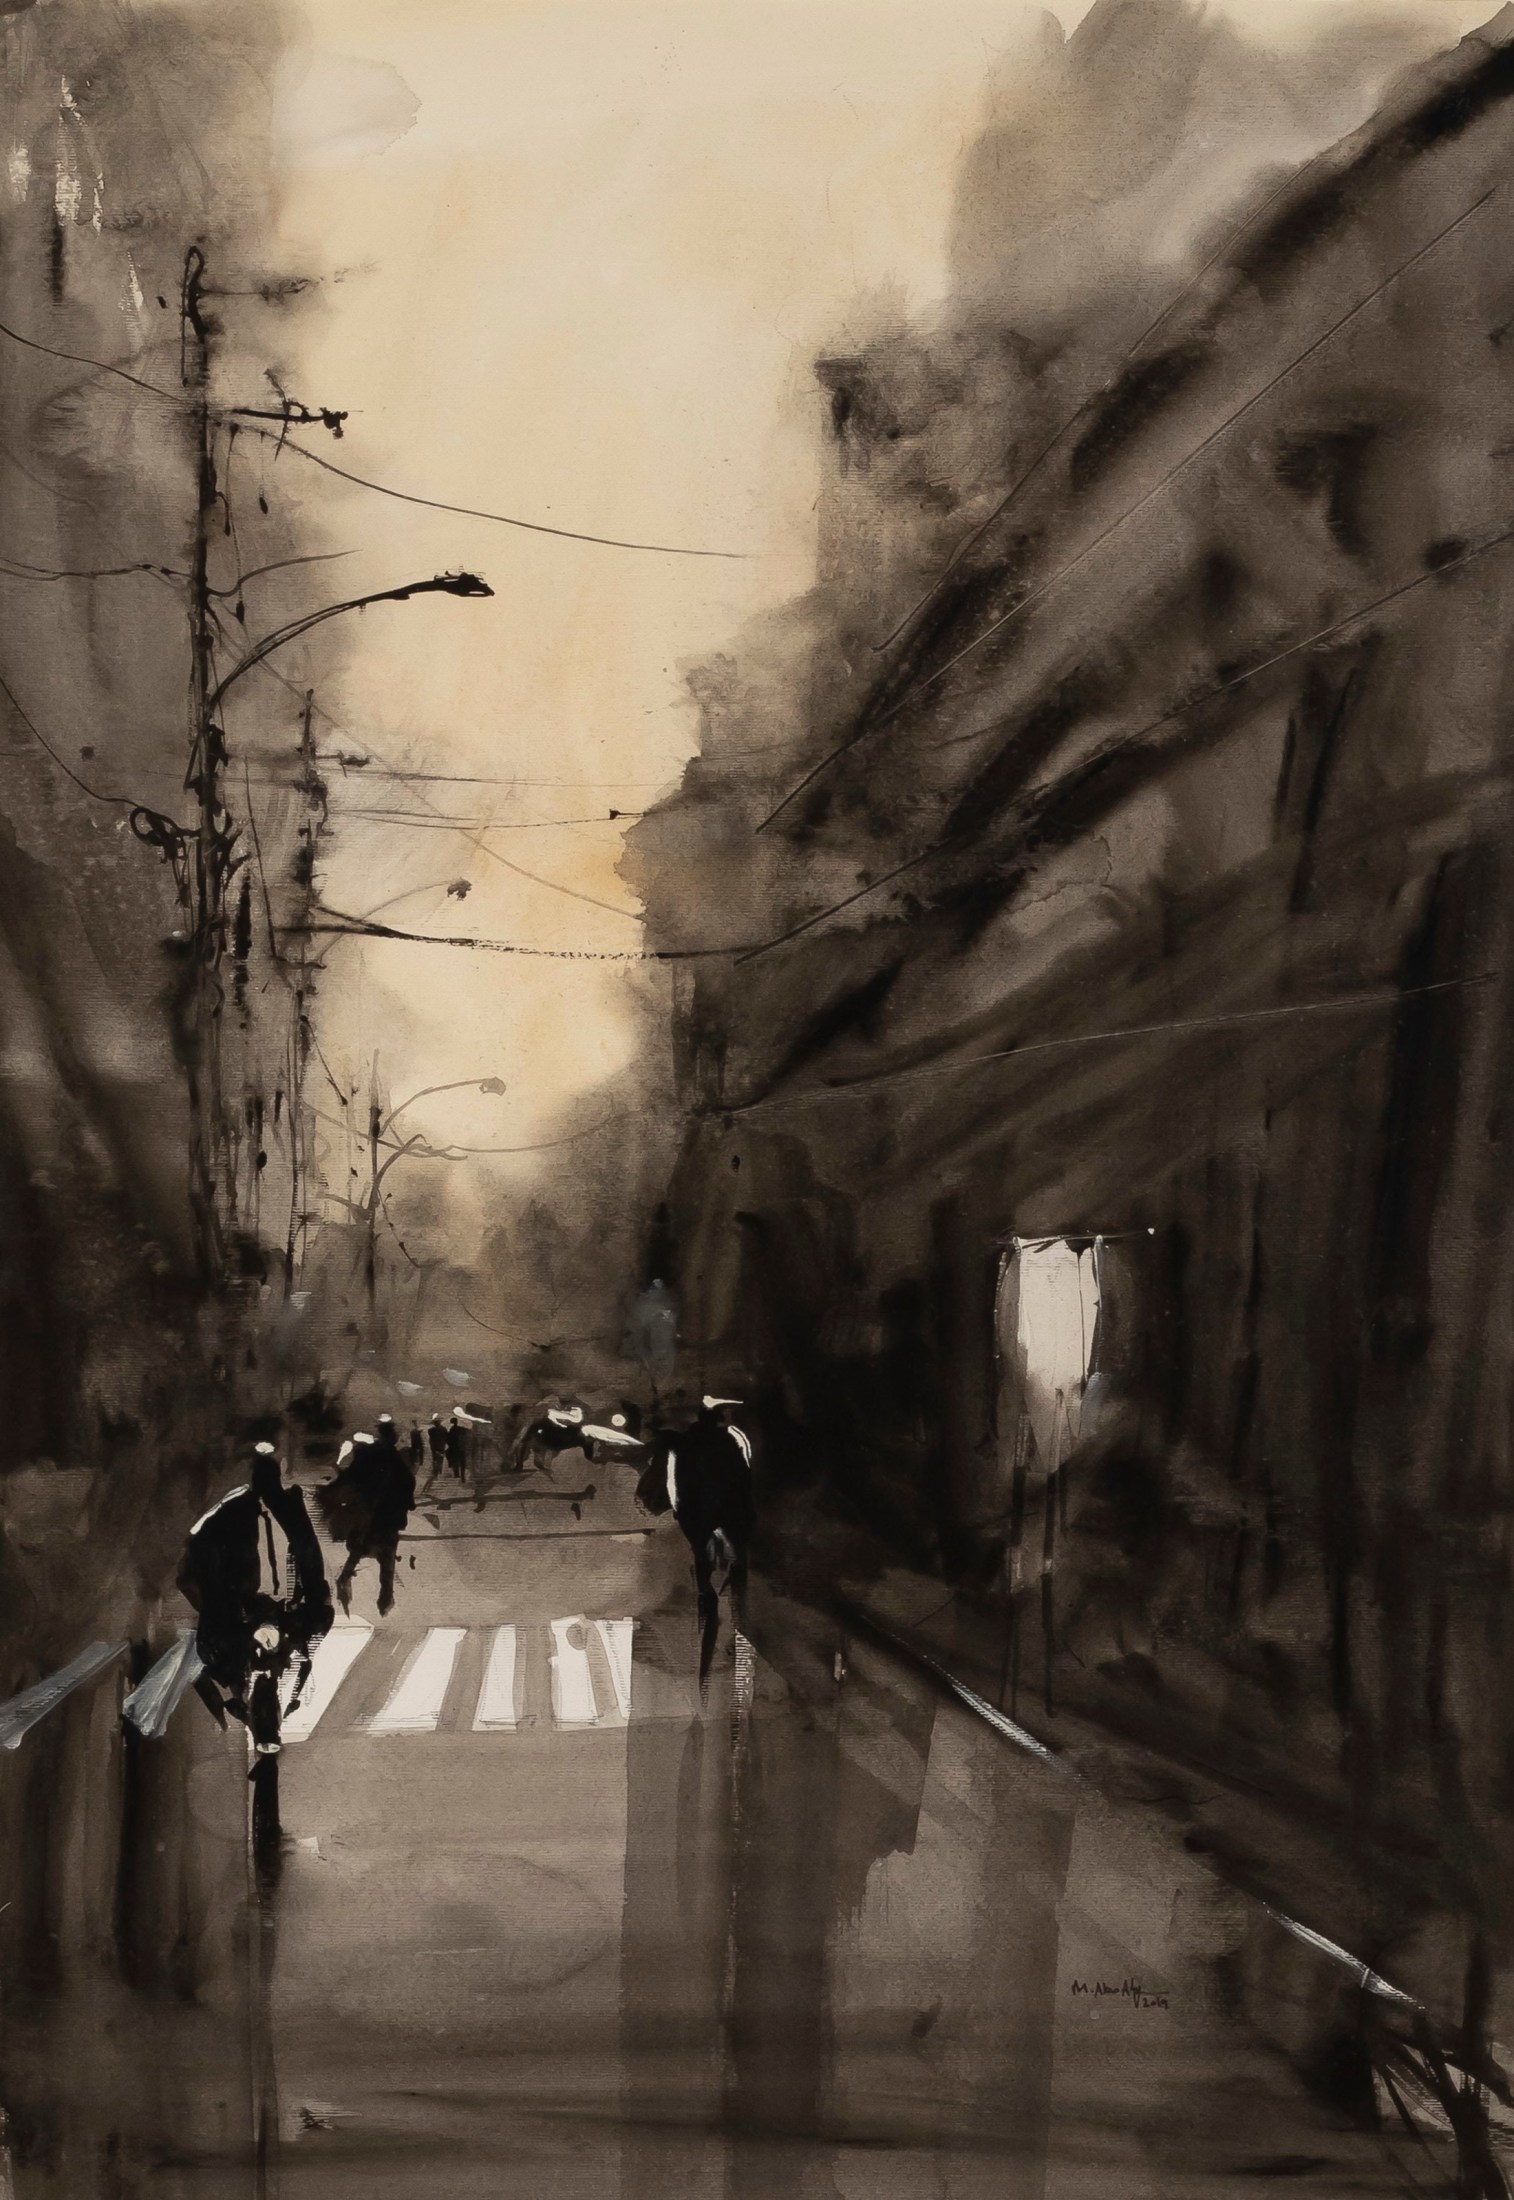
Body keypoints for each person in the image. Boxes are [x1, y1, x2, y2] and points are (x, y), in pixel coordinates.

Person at [177, 1442, 333, 1757]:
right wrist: (298, 1625)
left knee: (212, 1576)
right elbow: (306, 1642)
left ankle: (208, 1526)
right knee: (306, 1558)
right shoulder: (289, 1678)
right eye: (271, 1709)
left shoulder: (227, 1669)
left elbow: (211, 1640)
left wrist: (245, 1630)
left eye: (260, 1710)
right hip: (268, 1606)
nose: (267, 1701)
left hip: (239, 1603)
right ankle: (276, 1493)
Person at [314, 1426, 417, 1616]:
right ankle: (384, 1599)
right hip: (388, 1517)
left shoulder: (368, 1456)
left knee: (359, 1547)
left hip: (367, 1514)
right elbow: (408, 1484)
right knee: (386, 1556)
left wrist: (332, 1490)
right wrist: (407, 1503)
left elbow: (350, 1478)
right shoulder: (396, 1461)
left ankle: (346, 1578)